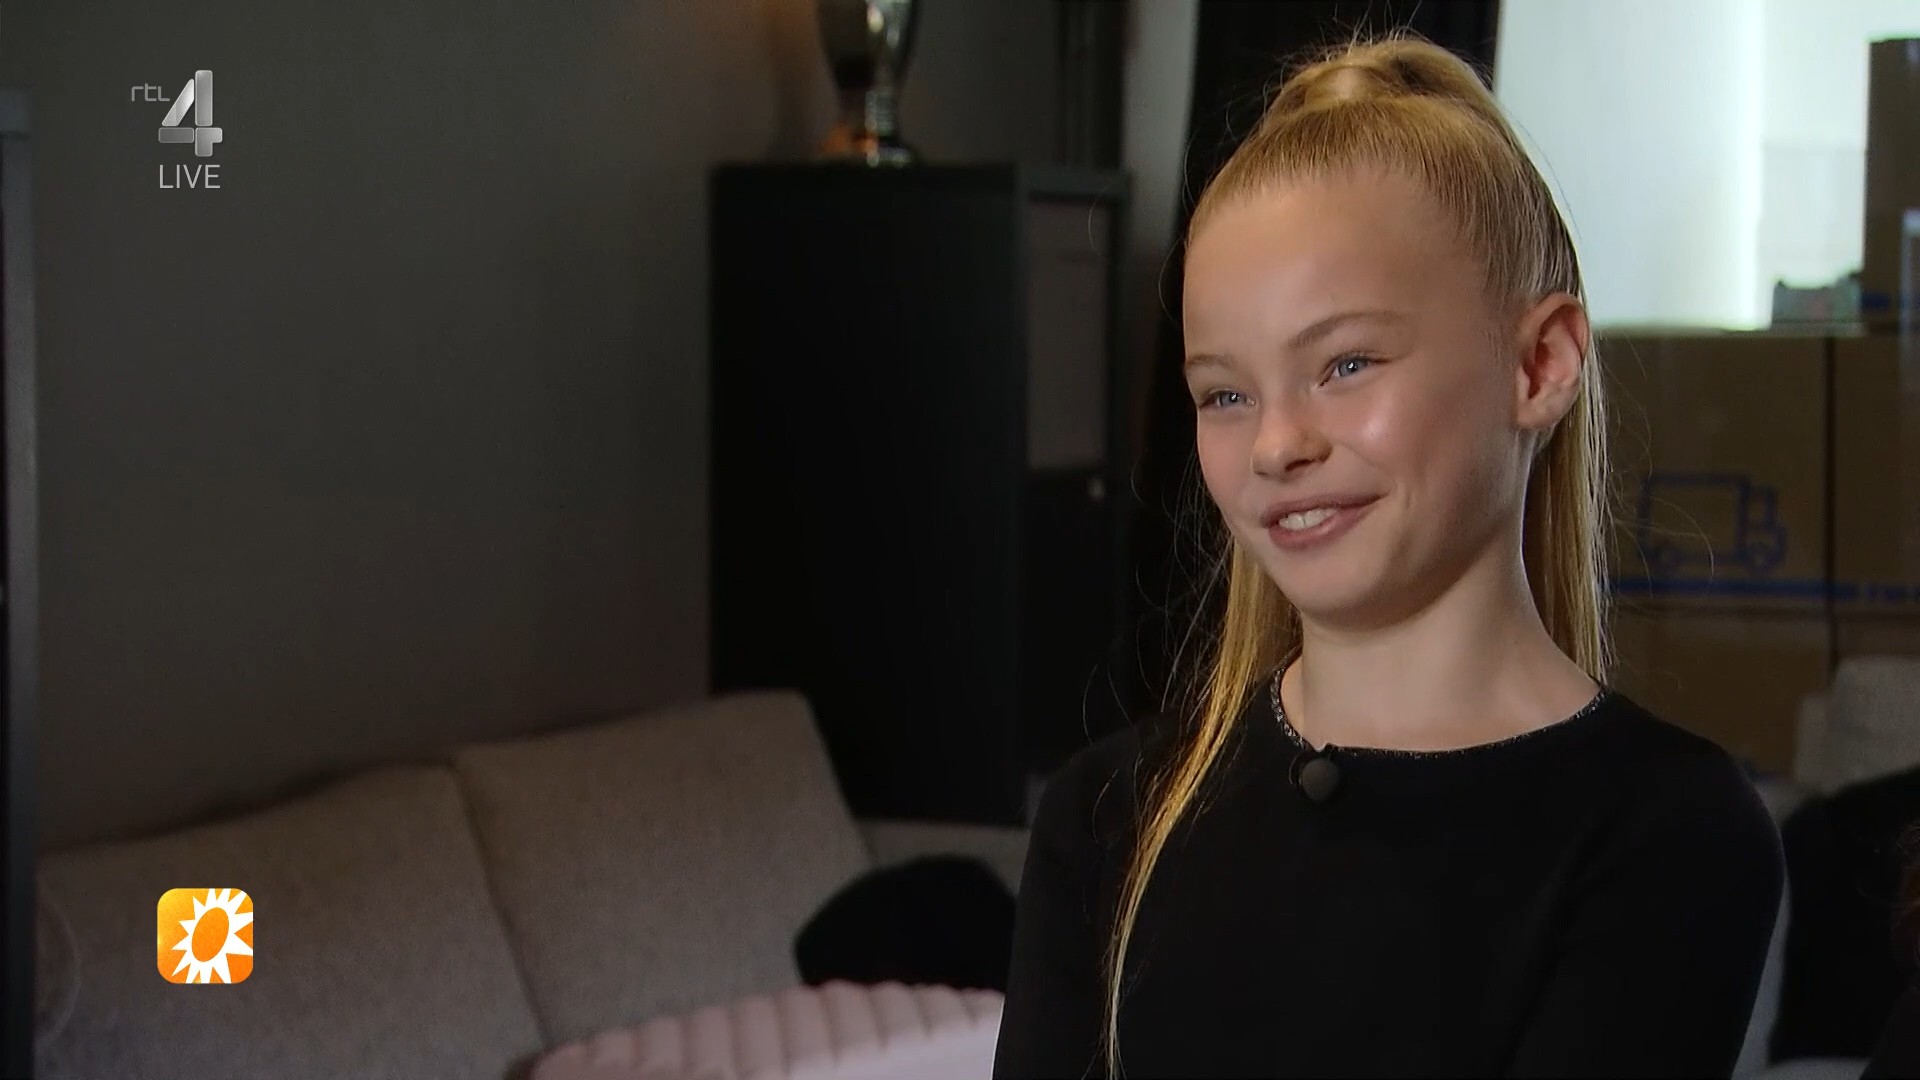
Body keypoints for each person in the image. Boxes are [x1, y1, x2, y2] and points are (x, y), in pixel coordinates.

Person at [992, 34, 1785, 1080]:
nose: (1277, 445)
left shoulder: (1669, 832)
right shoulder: (1105, 820)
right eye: (1225, 393)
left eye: (1346, 364)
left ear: (1539, 364)